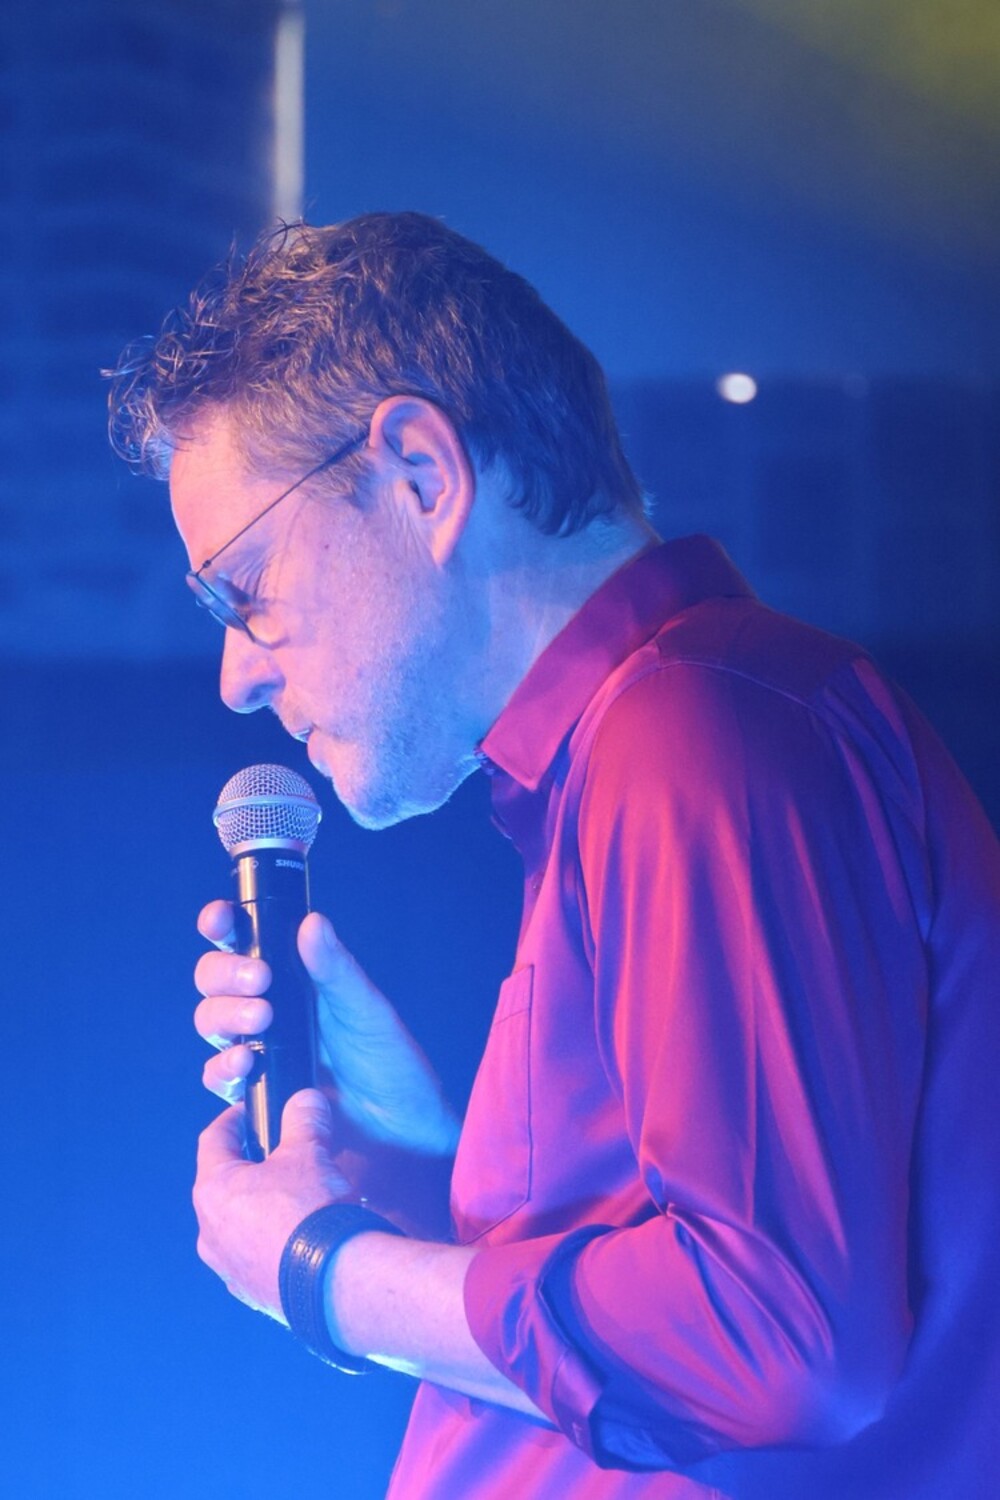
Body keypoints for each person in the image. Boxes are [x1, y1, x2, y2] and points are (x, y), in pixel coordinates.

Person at [107, 212, 1000, 1498]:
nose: (235, 675)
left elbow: (782, 1341)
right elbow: (686, 1318)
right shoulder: (646, 748)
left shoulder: (692, 730)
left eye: (241, 590)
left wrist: (324, 1271)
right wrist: (419, 1172)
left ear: (422, 474)